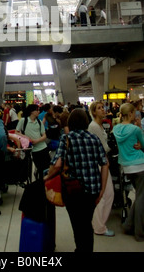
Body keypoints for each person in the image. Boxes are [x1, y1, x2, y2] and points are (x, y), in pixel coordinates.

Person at [44, 108, 109, 252]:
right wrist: (102, 189)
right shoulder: (94, 138)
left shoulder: (67, 138)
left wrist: (46, 177)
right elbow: (105, 164)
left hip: (73, 190)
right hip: (92, 190)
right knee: (86, 223)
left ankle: (81, 249)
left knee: (78, 224)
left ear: (71, 123)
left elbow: (57, 164)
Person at [113, 102, 144, 242]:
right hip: (140, 165)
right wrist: (139, 128)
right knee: (141, 199)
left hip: (126, 167)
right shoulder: (135, 129)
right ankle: (140, 233)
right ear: (131, 114)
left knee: (140, 197)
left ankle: (128, 225)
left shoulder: (116, 129)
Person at [88, 101, 115, 237]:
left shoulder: (99, 126)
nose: (103, 110)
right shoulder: (94, 127)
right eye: (99, 108)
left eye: (103, 107)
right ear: (93, 112)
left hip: (102, 162)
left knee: (106, 194)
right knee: (105, 195)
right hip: (100, 164)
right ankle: (99, 227)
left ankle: (98, 224)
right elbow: (103, 147)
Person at [16, 104, 51, 180]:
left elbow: (44, 135)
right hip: (34, 150)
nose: (39, 111)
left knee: (47, 168)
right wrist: (27, 138)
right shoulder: (23, 120)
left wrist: (37, 140)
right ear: (32, 111)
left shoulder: (39, 122)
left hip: (43, 147)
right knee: (40, 168)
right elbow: (17, 132)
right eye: (37, 110)